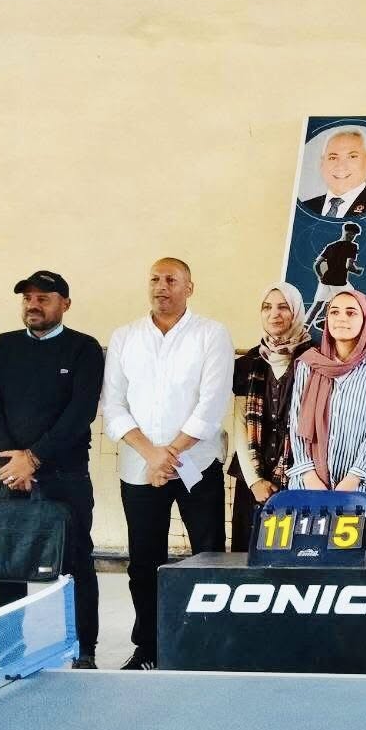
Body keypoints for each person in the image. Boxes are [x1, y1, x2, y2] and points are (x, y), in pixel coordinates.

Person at [101, 258, 234, 669]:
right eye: (155, 279)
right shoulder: (125, 337)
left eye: (172, 280)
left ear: (189, 288)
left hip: (197, 466)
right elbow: (113, 406)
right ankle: (150, 647)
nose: (162, 286)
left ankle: (209, 644)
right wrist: (151, 454)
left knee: (207, 557)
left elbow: (212, 405)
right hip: (141, 468)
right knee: (144, 563)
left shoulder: (211, 334)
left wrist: (170, 453)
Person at [0, 270, 105, 667]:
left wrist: (33, 458)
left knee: (77, 563)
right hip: (12, 476)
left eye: (43, 298)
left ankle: (84, 650)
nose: (33, 305)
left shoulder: (84, 349)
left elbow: (79, 414)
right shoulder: (2, 346)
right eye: (28, 298)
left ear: (65, 304)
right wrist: (11, 464)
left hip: (67, 478)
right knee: (9, 565)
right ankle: (8, 650)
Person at [286, 289, 366, 555]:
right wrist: (309, 475)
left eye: (351, 312)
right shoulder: (309, 364)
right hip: (312, 487)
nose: (341, 319)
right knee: (312, 561)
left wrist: (353, 478)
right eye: (334, 312)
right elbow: (296, 422)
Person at [228, 284, 314, 551]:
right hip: (254, 477)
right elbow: (240, 423)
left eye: (283, 307)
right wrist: (255, 481)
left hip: (303, 477)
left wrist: (306, 475)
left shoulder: (317, 358)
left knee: (299, 555)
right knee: (248, 556)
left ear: (297, 311)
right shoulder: (247, 362)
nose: (274, 314)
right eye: (267, 307)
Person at [296, 126, 366, 218]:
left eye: (352, 156)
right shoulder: (305, 208)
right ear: (322, 163)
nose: (341, 166)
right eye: (333, 158)